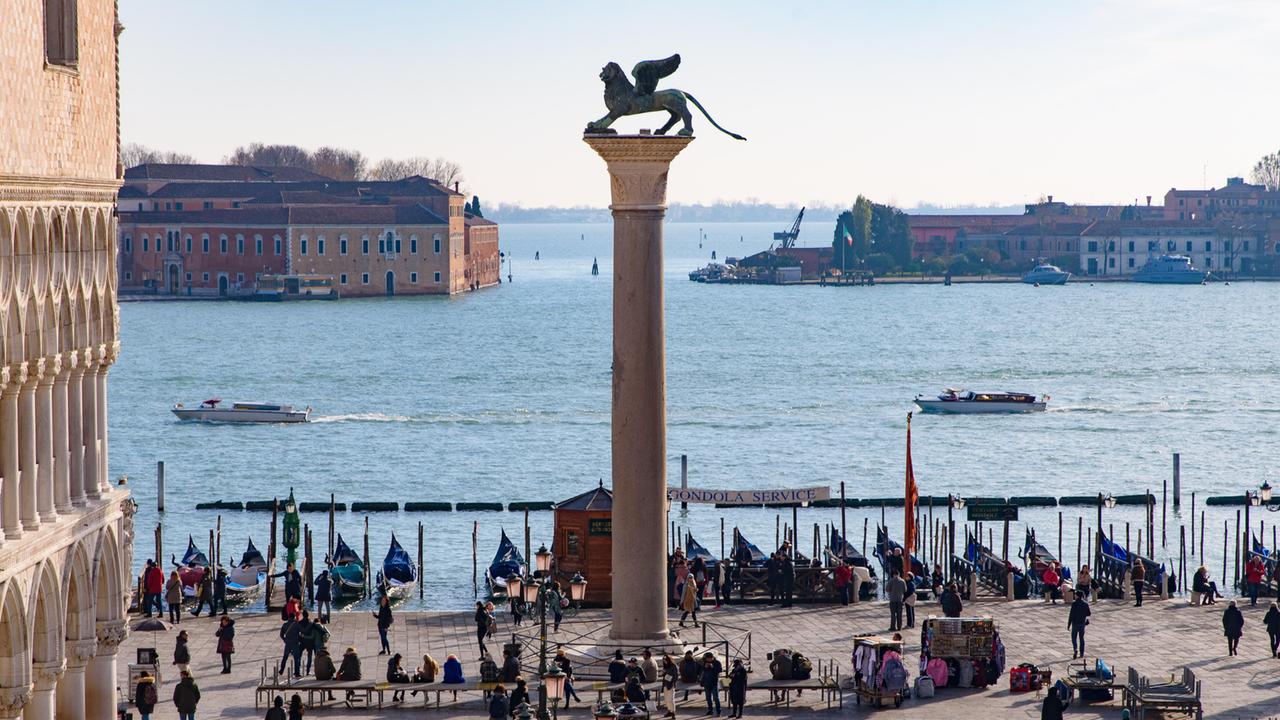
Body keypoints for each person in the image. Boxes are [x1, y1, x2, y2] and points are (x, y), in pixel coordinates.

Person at [1068, 592, 1091, 659]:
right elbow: (1089, 613)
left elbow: (1071, 615)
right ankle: (1081, 653)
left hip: (1075, 623)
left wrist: (1069, 624)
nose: (1074, 596)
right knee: (1081, 638)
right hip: (1082, 624)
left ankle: (1075, 649)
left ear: (1077, 596)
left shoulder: (1074, 604)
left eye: (1075, 595)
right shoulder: (1085, 604)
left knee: (1073, 638)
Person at [699, 652, 722, 716]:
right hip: (706, 683)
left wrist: (713, 667)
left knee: (716, 698)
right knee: (708, 698)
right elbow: (702, 671)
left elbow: (720, 670)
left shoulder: (717, 663)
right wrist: (705, 667)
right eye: (707, 659)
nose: (708, 660)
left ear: (711, 658)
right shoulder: (704, 663)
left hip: (714, 683)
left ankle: (718, 711)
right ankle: (710, 710)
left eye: (708, 659)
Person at [660, 653, 678, 719]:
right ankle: (669, 711)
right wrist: (663, 673)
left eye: (665, 660)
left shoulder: (673, 666)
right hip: (665, 684)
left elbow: (675, 676)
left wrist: (673, 683)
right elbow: (663, 675)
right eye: (664, 660)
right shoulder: (665, 666)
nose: (664, 661)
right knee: (666, 699)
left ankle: (673, 713)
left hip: (671, 684)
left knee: (671, 699)